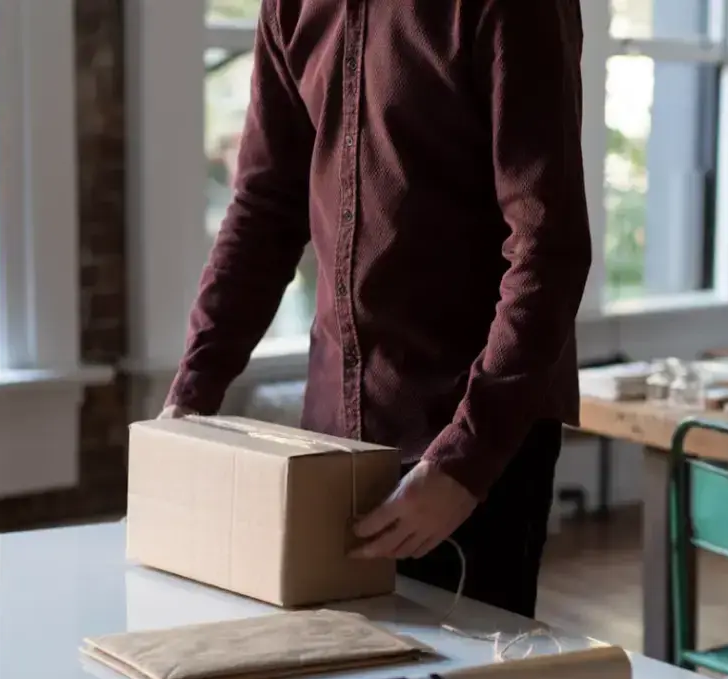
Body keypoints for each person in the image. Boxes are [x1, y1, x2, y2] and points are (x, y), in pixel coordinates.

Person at [160, 1, 591, 619]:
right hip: (329, 446)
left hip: (470, 441)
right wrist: (189, 399)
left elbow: (549, 247)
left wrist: (463, 464)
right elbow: (264, 210)